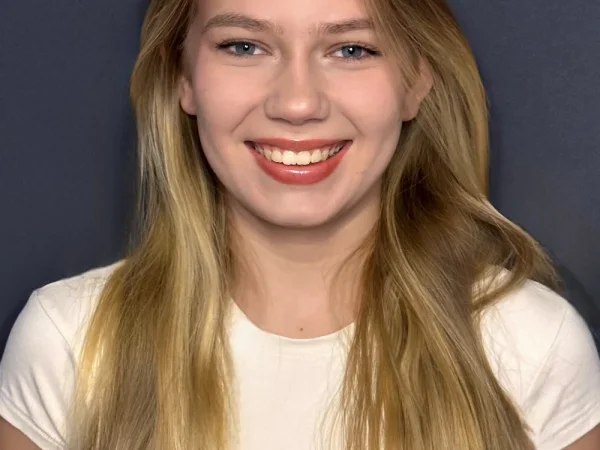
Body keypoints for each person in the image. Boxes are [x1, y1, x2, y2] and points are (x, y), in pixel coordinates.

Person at [1, 0, 600, 448]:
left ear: (417, 79)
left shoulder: (532, 346)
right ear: (182, 76)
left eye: (351, 50)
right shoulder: (70, 345)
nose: (296, 103)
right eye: (244, 46)